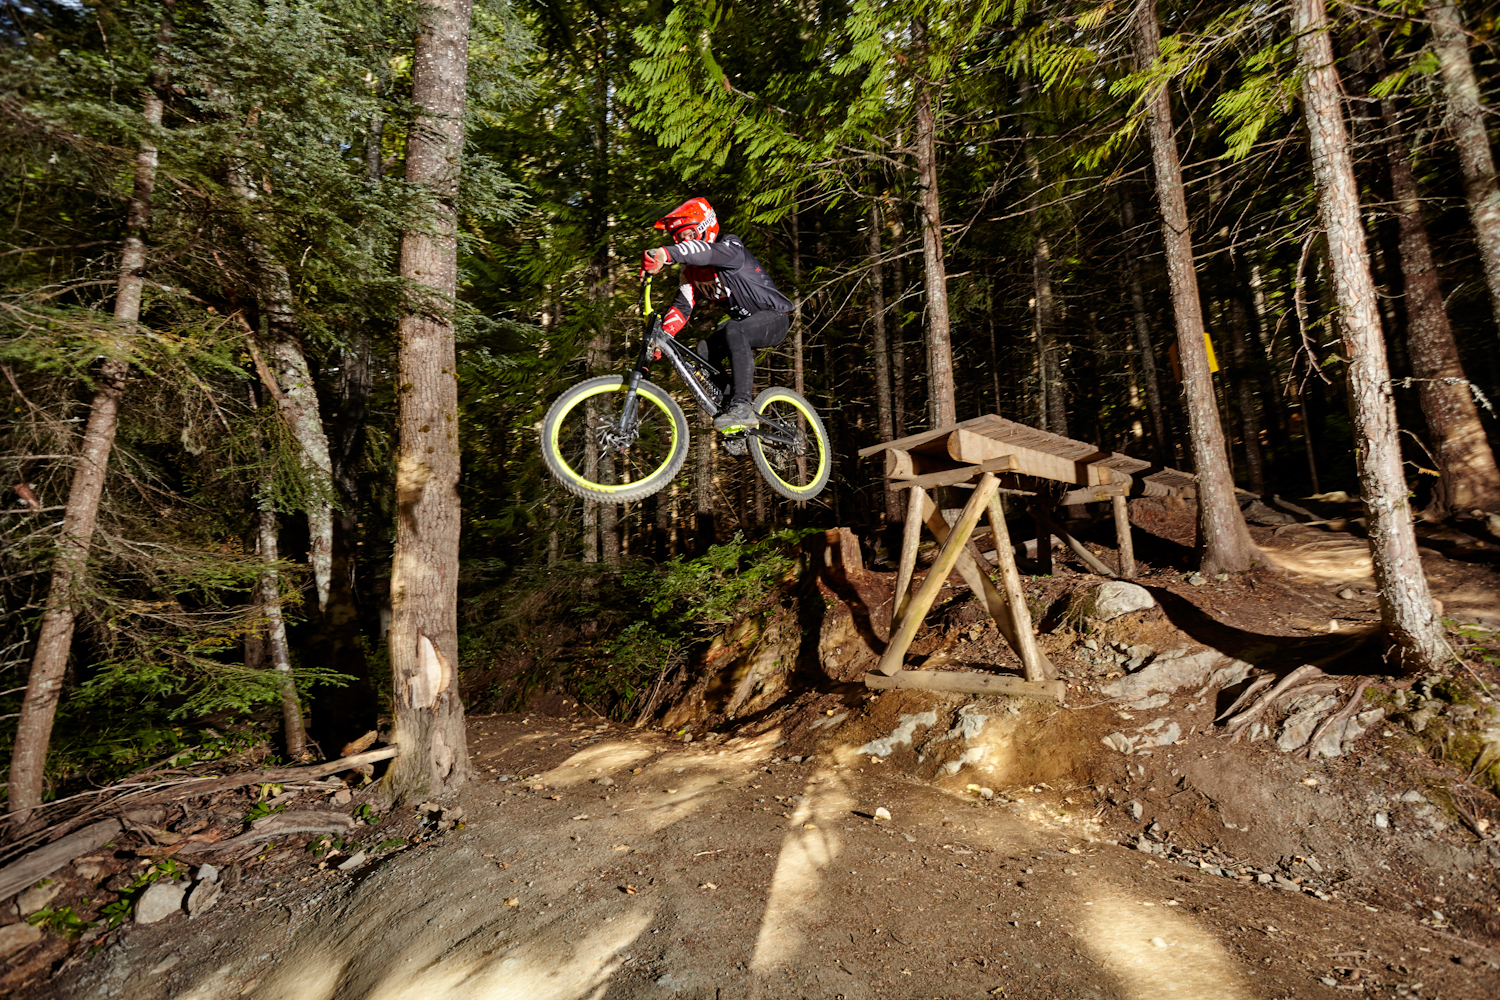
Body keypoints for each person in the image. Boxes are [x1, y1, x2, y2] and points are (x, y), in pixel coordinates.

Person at [638, 197, 793, 431]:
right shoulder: (691, 274)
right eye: (680, 238)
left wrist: (663, 254)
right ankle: (734, 412)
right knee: (702, 352)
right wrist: (663, 337)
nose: (685, 241)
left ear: (705, 227)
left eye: (689, 234)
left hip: (774, 316)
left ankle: (743, 405)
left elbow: (703, 252)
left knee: (734, 328)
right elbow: (682, 307)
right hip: (744, 323)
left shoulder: (729, 248)